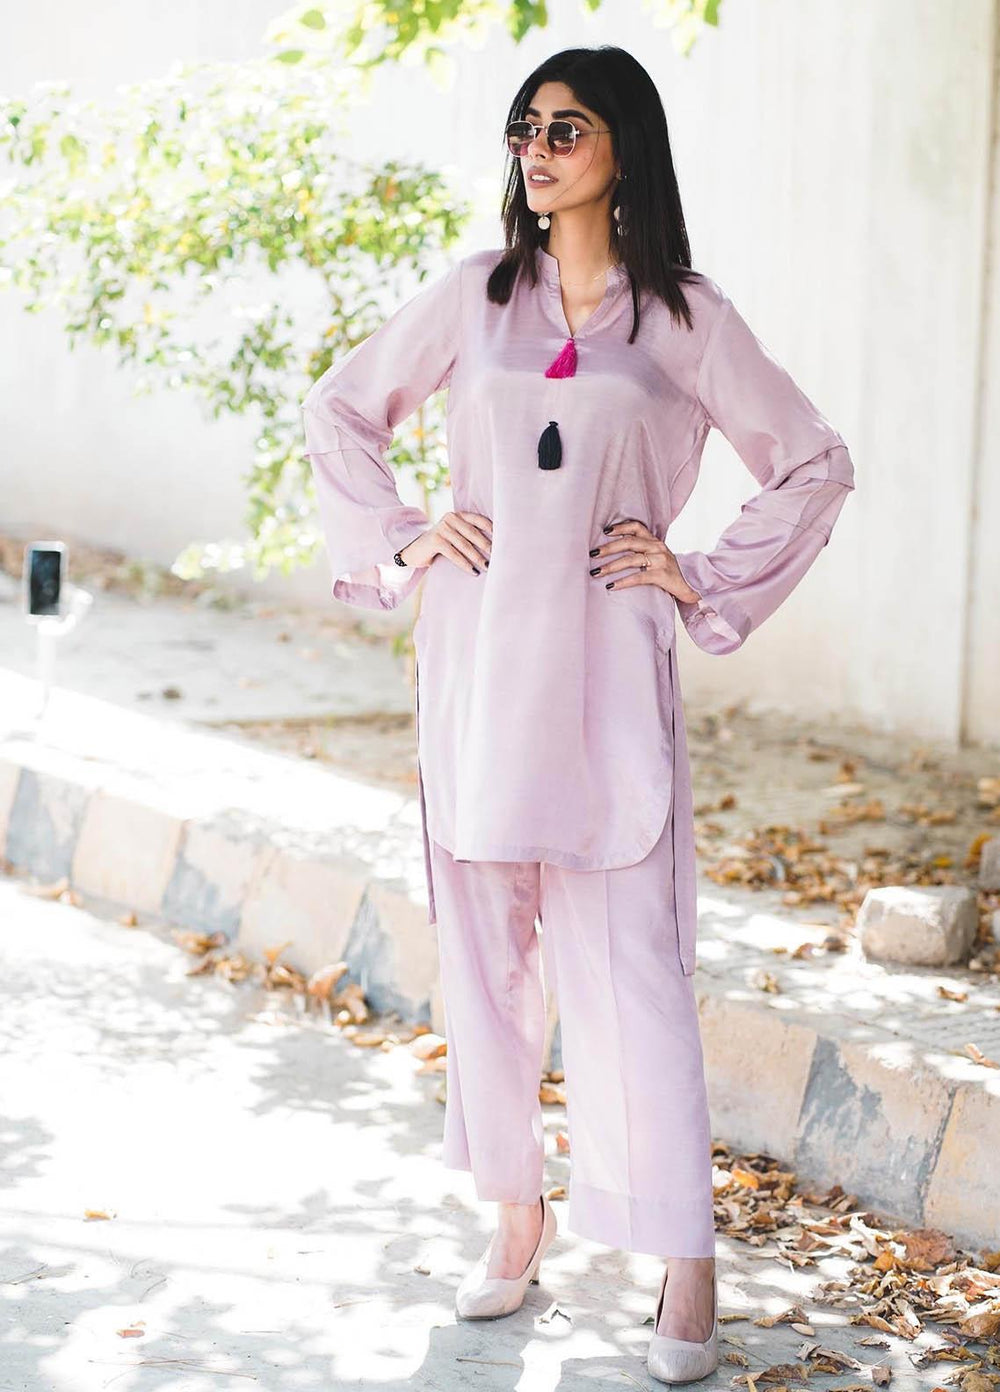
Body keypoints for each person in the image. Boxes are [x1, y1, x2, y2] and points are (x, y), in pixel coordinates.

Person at [301, 44, 855, 1386]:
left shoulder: (686, 318)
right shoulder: (477, 295)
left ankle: (684, 1256)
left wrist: (698, 571)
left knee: (633, 973)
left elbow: (812, 462)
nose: (537, 149)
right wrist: (405, 537)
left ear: (624, 148)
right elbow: (343, 408)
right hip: (480, 669)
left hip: (606, 668)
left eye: (567, 128)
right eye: (525, 127)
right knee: (487, 964)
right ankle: (515, 1211)